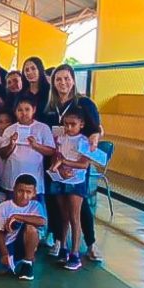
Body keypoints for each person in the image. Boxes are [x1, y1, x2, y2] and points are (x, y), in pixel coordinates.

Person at [41, 63, 103, 262]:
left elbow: (96, 129)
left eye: (66, 78)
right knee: (57, 204)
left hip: (77, 165)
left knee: (79, 206)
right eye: (58, 79)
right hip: (56, 162)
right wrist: (57, 164)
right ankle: (60, 241)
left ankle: (90, 243)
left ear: (73, 80)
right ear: (53, 82)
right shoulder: (50, 107)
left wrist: (95, 137)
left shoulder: (84, 104)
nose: (63, 83)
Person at [47, 107, 94, 271]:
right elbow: (56, 157)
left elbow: (84, 164)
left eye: (73, 124)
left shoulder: (84, 141)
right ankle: (64, 248)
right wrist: (59, 169)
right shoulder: (60, 138)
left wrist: (65, 163)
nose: (68, 127)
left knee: (75, 217)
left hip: (76, 181)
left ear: (81, 124)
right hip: (60, 180)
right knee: (64, 216)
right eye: (66, 124)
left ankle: (75, 253)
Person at [0, 173, 46, 281]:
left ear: (34, 193)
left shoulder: (36, 205)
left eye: (28, 192)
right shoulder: (4, 206)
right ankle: (18, 261)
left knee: (31, 228)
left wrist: (17, 217)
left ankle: (28, 262)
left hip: (24, 242)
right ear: (14, 189)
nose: (24, 196)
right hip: (8, 243)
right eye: (21, 191)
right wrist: (4, 253)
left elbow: (42, 221)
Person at [0, 98, 55, 200]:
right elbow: (2, 155)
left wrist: (36, 145)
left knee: (35, 208)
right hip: (13, 179)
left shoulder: (43, 128)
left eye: (27, 109)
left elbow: (51, 151)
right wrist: (11, 144)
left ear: (34, 109)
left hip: (35, 179)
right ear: (15, 112)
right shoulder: (10, 129)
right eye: (20, 110)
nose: (24, 113)